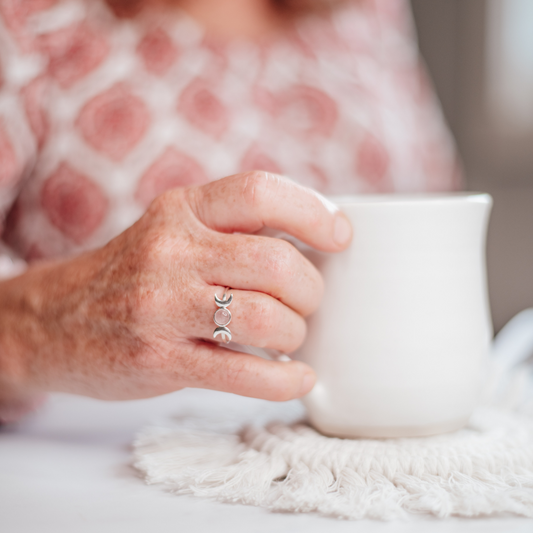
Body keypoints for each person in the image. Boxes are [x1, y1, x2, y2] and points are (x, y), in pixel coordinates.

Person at [0, 0, 458, 422]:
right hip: (96, 468)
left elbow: (440, 206)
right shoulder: (34, 19)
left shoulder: (370, 11)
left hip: (377, 454)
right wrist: (45, 326)